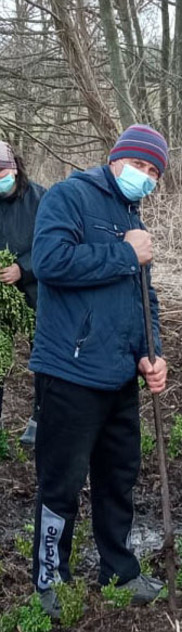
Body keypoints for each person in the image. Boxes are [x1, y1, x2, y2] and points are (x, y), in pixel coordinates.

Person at [29, 125, 170, 618]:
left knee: (118, 478)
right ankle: (50, 579)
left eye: (155, 173)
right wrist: (124, 253)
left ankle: (120, 571)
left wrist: (152, 352)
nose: (146, 178)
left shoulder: (133, 214)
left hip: (119, 375)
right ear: (117, 159)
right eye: (142, 167)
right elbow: (49, 262)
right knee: (60, 483)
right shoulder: (69, 197)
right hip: (69, 370)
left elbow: (143, 295)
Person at [0, 140, 45, 445]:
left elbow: (53, 243)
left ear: (14, 168)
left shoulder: (42, 198)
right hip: (2, 295)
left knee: (42, 353)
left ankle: (40, 418)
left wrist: (22, 268)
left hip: (36, 287)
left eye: (1, 171)